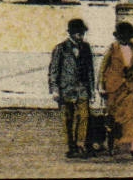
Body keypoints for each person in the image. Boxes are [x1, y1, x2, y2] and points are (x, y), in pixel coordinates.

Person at [48, 17, 96, 159]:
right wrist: (55, 89)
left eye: (82, 33)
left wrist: (92, 90)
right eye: (78, 33)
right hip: (66, 89)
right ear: (71, 33)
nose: (81, 36)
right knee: (68, 119)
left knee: (84, 116)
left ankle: (81, 145)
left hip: (82, 88)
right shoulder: (60, 48)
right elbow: (54, 70)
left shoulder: (86, 48)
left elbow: (90, 71)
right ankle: (71, 146)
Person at [100, 21, 133, 156]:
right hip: (113, 87)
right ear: (118, 36)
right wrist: (102, 86)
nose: (124, 38)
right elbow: (103, 68)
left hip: (129, 86)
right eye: (122, 36)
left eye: (127, 36)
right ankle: (112, 144)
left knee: (131, 117)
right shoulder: (112, 49)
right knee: (114, 117)